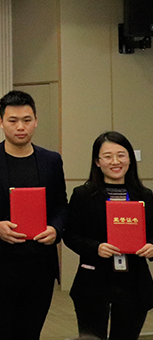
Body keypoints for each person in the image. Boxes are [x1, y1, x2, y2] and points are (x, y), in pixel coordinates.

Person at [0, 90, 67, 340]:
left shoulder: (51, 160)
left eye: (26, 120)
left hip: (39, 266)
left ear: (36, 121)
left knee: (30, 333)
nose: (20, 127)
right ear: (1, 122)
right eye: (13, 120)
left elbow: (61, 206)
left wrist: (55, 229)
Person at [64, 131, 153, 340]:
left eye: (121, 155)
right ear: (97, 161)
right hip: (93, 281)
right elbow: (70, 235)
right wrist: (95, 248)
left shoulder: (145, 196)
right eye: (107, 156)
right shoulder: (83, 195)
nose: (115, 162)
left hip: (134, 283)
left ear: (130, 159)